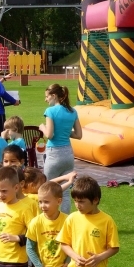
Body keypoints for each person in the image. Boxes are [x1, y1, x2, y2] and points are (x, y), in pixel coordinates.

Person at [39, 84, 82, 214]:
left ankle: (48, 219)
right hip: (68, 154)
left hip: (54, 154)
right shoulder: (72, 111)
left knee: (47, 189)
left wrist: (42, 128)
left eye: (47, 97)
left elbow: (50, 135)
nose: (46, 100)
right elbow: (78, 135)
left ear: (54, 96)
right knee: (66, 189)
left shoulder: (50, 111)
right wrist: (64, 131)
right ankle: (65, 221)